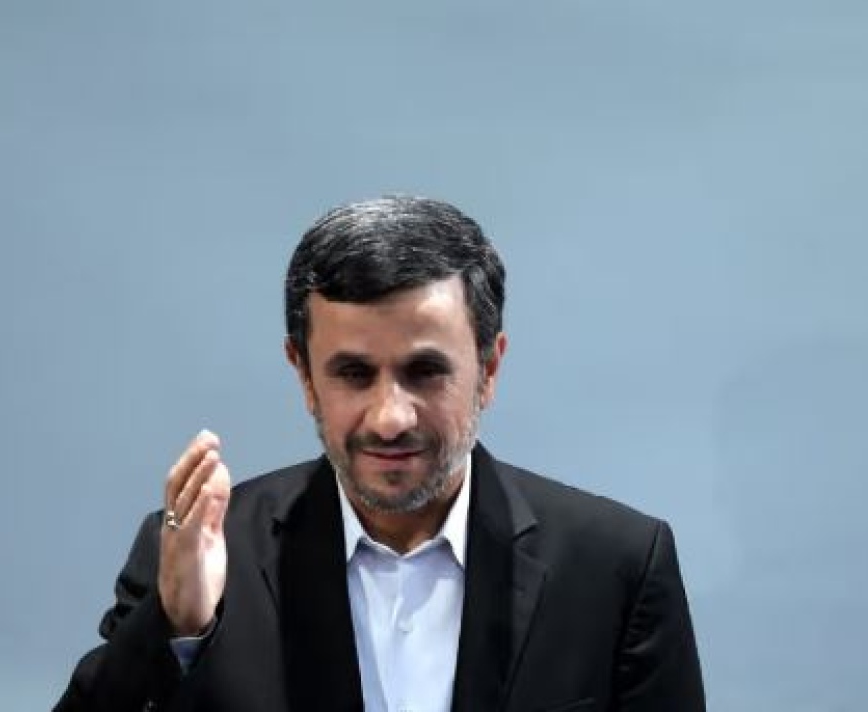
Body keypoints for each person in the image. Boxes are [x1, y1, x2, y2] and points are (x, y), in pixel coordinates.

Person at [54, 196, 705, 712]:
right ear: (304, 374)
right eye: (354, 374)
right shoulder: (199, 557)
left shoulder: (617, 569)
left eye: (425, 372)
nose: (391, 417)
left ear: (489, 369)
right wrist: (177, 627)